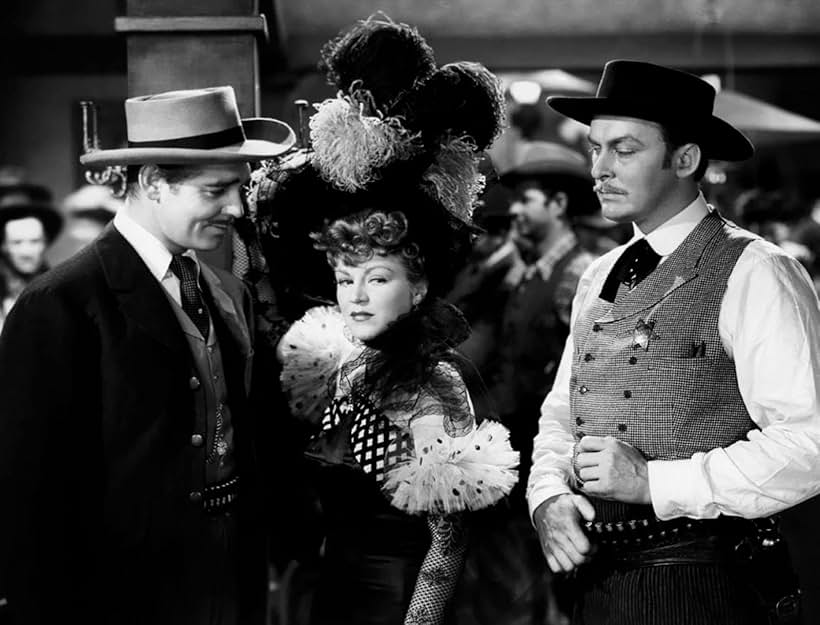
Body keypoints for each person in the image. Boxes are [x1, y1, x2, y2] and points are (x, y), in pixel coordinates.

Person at [234, 15, 518, 625]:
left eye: (379, 279)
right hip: (332, 596)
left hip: (397, 604)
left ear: (418, 291)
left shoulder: (428, 384)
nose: (356, 297)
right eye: (345, 279)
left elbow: (447, 548)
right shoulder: (335, 366)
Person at [526, 59, 820, 625]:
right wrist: (547, 499)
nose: (600, 168)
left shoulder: (756, 270)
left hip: (704, 583)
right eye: (595, 148)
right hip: (597, 585)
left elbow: (807, 446)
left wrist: (653, 482)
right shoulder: (598, 273)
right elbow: (563, 414)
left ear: (685, 159)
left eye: (624, 149)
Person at [0, 86, 295, 624]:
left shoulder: (224, 288)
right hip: (124, 590)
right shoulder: (61, 302)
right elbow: (29, 495)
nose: (237, 207)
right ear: (155, 183)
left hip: (228, 570)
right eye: (217, 190)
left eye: (241, 188)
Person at [0, 198, 63, 331]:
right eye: (17, 242)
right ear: (4, 246)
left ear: (45, 243)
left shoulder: (60, 290)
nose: (26, 252)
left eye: (34, 241)